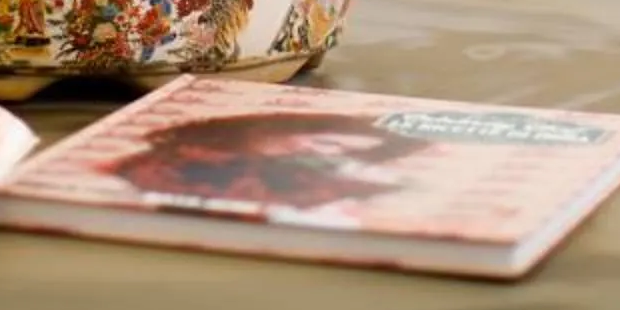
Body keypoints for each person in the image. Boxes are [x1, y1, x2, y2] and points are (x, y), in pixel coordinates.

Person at [104, 109, 425, 217]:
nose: (319, 152)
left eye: (339, 152)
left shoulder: (296, 187)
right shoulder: (166, 162)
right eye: (325, 141)